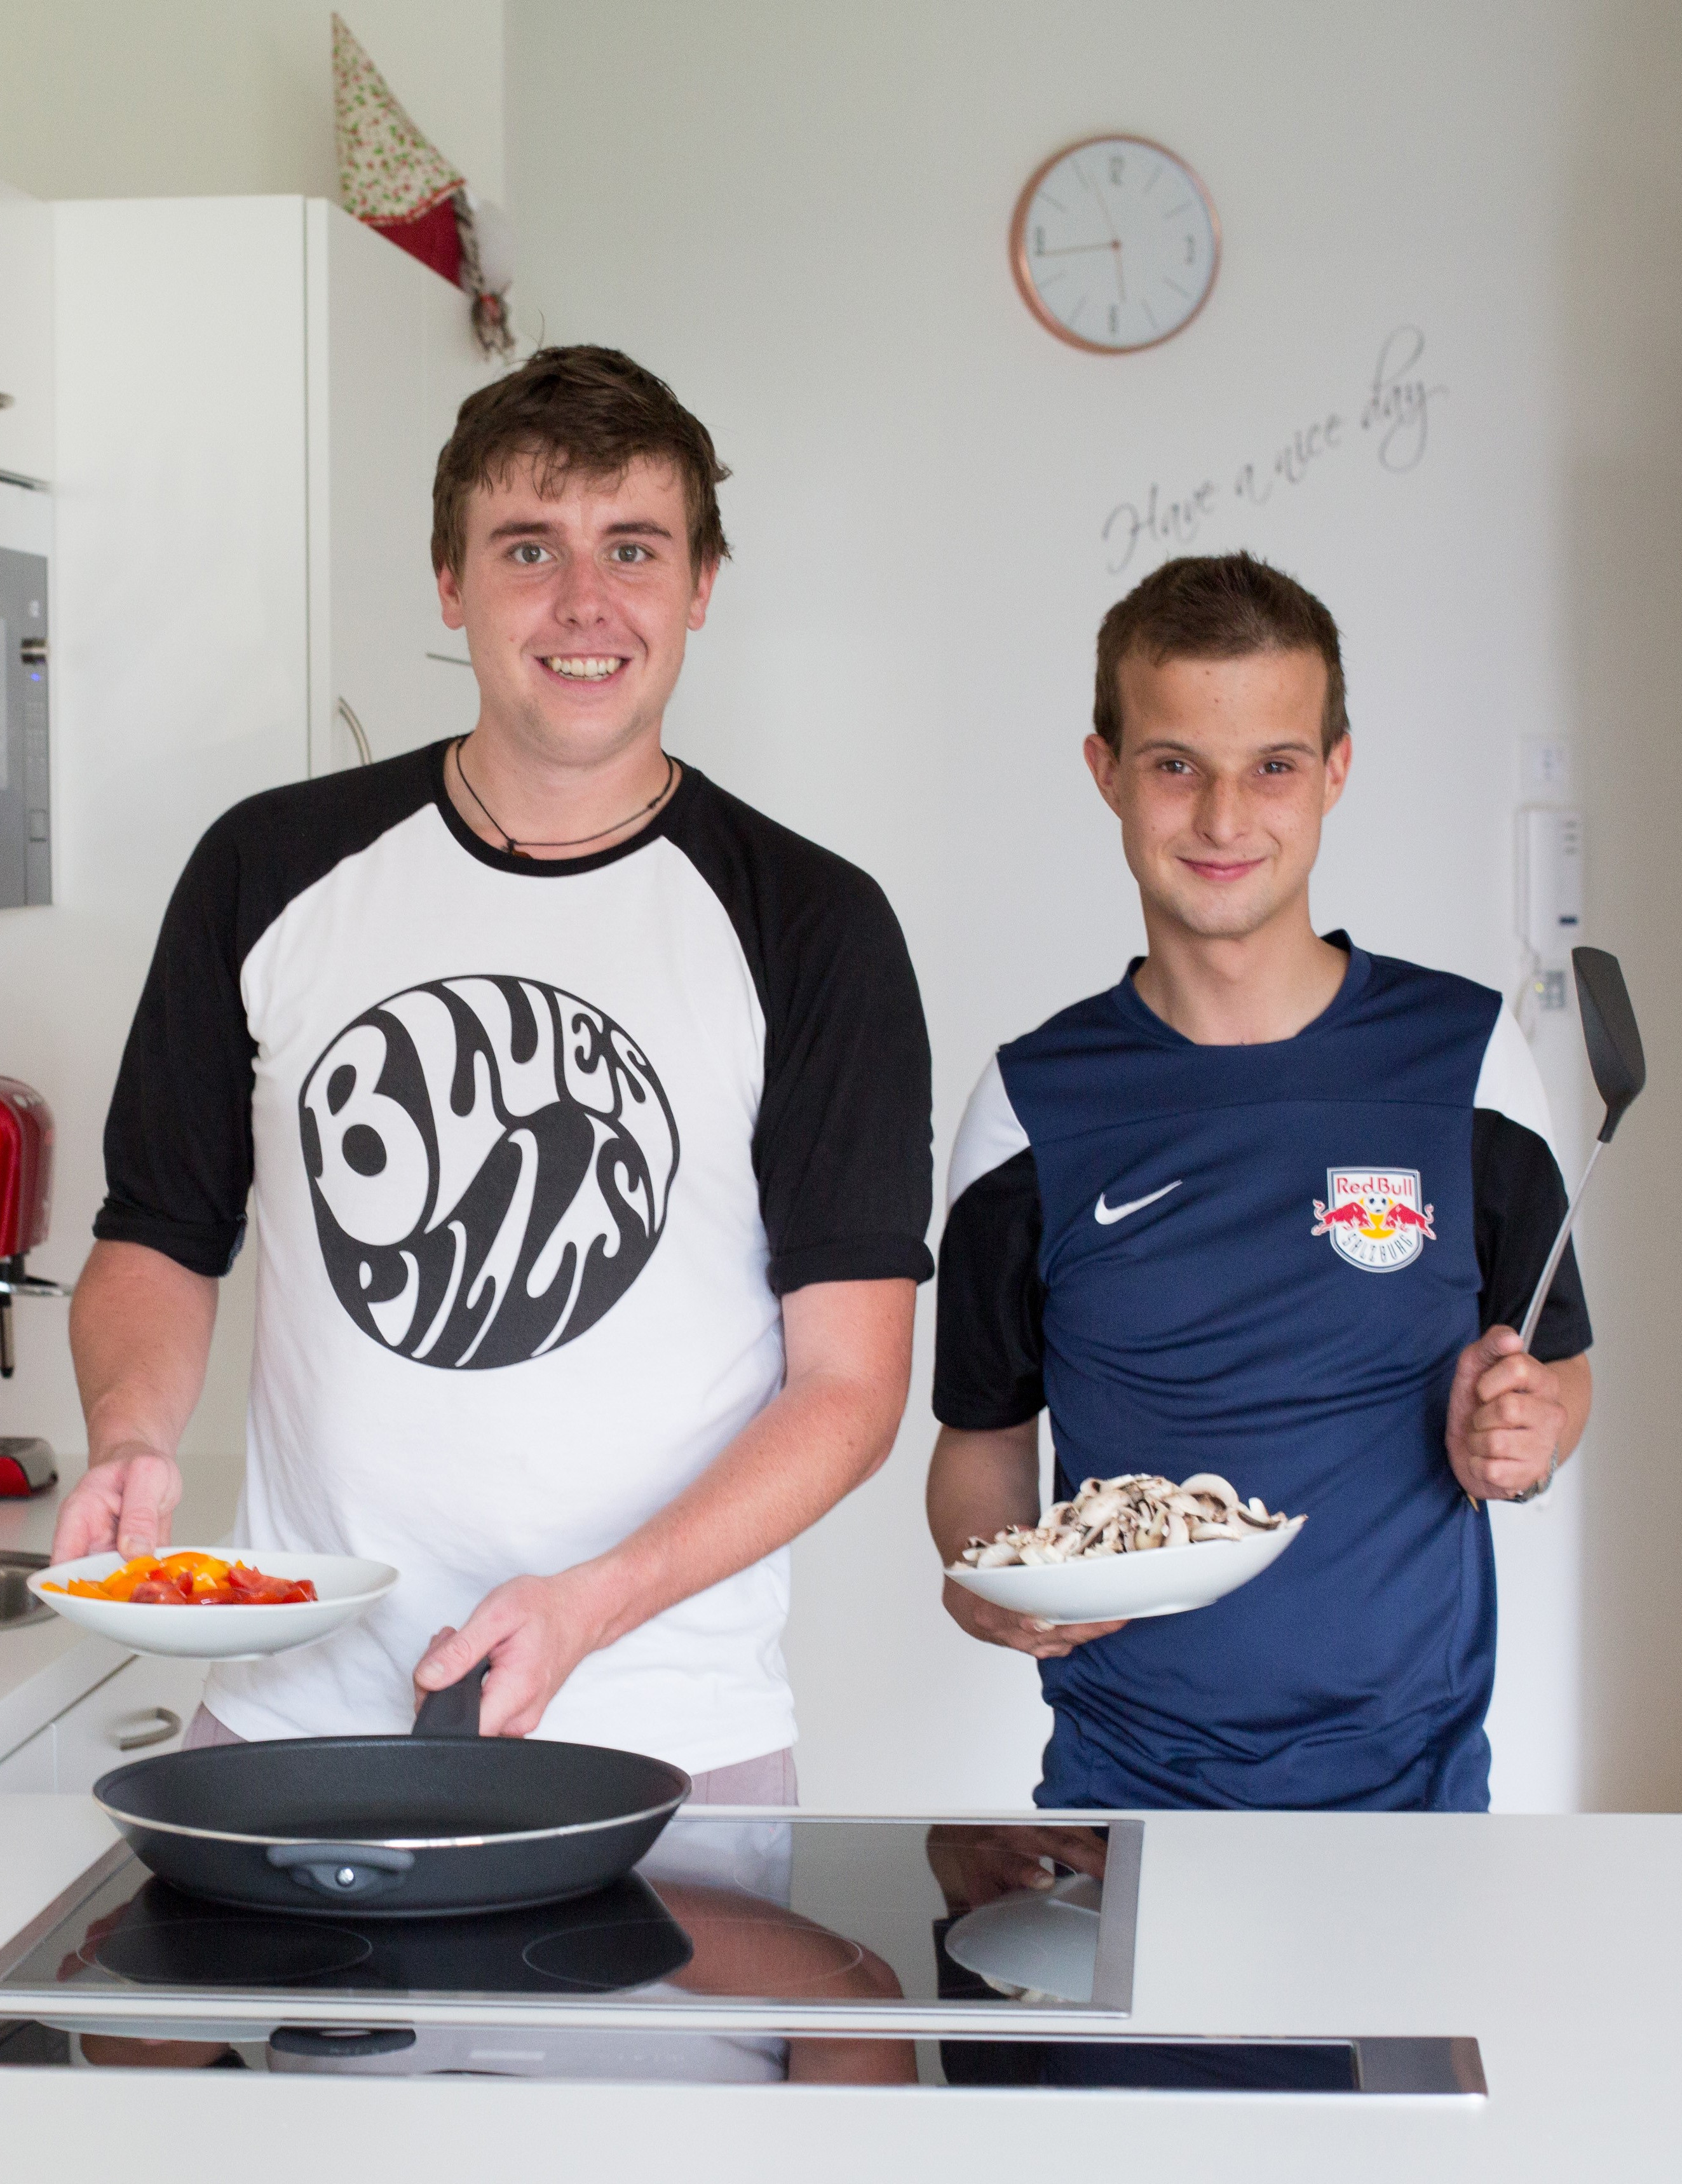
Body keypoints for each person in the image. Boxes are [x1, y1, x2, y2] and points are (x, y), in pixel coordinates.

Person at [54, 345, 933, 1800]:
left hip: (665, 1728)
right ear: (451, 582)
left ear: (701, 585)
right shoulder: (268, 869)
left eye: (633, 549)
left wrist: (594, 1602)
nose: (584, 603)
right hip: (296, 1708)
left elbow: (848, 1383)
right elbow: (157, 1233)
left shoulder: (812, 925)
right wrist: (133, 1437)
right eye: (529, 548)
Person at [926, 552, 1591, 1813]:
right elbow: (980, 1446)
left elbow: (1557, 1371)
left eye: (1272, 766)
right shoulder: (1027, 1106)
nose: (1225, 819)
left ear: (1334, 771)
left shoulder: (1467, 1061)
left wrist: (1527, 1436)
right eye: (1176, 764)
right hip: (1122, 1799)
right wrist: (980, 1574)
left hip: (1416, 1805)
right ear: (1106, 773)